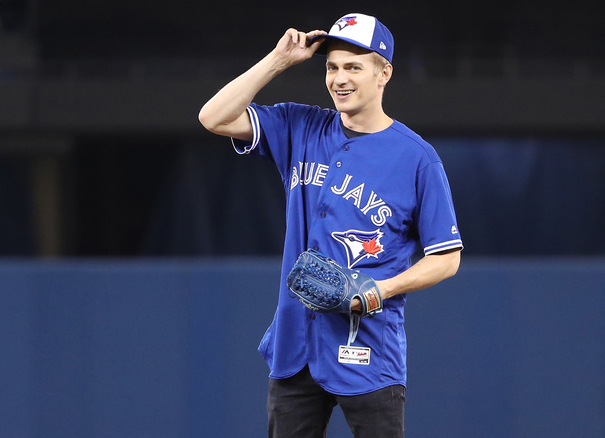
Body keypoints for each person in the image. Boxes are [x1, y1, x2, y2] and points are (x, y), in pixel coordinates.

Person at [198, 13, 463, 438]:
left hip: (370, 349)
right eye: (332, 67)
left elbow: (447, 258)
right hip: (295, 348)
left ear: (384, 73)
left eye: (353, 67)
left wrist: (383, 288)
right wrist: (277, 62)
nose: (340, 78)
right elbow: (213, 117)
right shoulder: (300, 127)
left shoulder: (417, 158)